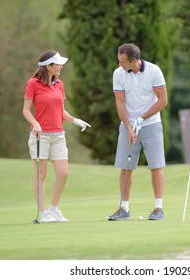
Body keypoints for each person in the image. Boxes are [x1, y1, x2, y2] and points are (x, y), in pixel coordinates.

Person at [23, 50, 91, 223]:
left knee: (63, 173)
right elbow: (25, 110)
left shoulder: (59, 84)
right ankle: (43, 212)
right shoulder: (33, 84)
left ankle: (54, 209)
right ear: (48, 66)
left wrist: (76, 120)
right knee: (41, 174)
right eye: (58, 64)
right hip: (40, 136)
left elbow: (60, 110)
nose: (61, 66)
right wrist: (36, 123)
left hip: (58, 135)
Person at [107, 43, 168, 221]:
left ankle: (158, 208)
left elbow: (163, 100)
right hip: (127, 124)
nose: (120, 65)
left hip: (151, 124)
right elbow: (119, 102)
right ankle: (124, 209)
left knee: (156, 166)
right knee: (125, 168)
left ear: (134, 61)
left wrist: (142, 118)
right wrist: (128, 126)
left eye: (123, 62)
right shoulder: (118, 73)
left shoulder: (154, 71)